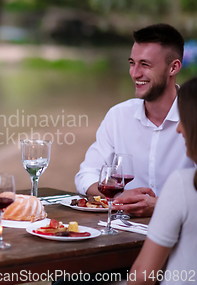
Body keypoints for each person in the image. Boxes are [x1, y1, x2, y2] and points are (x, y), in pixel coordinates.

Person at [75, 24, 195, 217]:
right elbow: (86, 175)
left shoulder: (193, 118)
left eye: (145, 65)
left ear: (173, 67)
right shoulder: (118, 116)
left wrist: (162, 205)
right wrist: (121, 195)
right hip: (124, 232)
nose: (135, 73)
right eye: (132, 63)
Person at [129, 77, 197, 284]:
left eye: (184, 120)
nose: (178, 129)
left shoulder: (185, 184)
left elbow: (142, 276)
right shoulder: (117, 115)